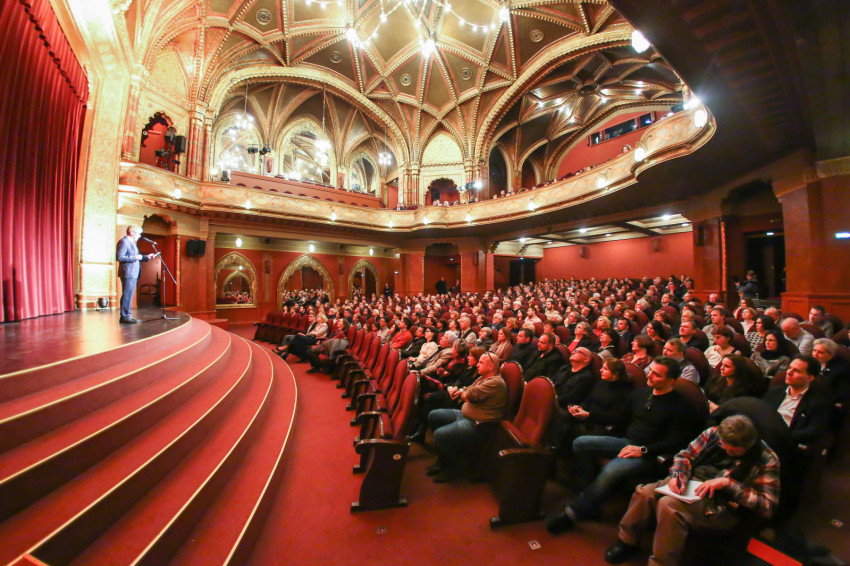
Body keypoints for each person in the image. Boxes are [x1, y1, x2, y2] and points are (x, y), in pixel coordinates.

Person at [604, 415, 780, 566]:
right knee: (644, 493)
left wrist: (728, 484)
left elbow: (768, 506)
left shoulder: (766, 459)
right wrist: (678, 475)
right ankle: (627, 541)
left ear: (747, 446)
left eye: (732, 451)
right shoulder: (713, 433)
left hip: (721, 504)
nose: (725, 450)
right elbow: (685, 456)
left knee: (668, 505)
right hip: (692, 482)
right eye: (723, 445)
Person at [546, 357, 696, 533]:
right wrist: (588, 415)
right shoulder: (641, 394)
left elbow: (678, 441)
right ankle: (588, 497)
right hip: (627, 442)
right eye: (651, 371)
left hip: (650, 454)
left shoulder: (681, 406)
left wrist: (643, 450)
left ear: (671, 381)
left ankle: (573, 513)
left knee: (611, 470)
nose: (650, 375)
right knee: (580, 443)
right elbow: (619, 417)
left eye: (657, 374)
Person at [427, 352, 507, 482]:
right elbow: (468, 389)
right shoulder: (483, 378)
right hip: (465, 415)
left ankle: (454, 469)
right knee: (434, 415)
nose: (477, 365)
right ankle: (443, 460)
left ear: (491, 366)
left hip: (478, 424)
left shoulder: (495, 382)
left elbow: (469, 394)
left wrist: (464, 394)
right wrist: (464, 392)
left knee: (440, 434)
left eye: (481, 363)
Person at [763, 356, 832, 444]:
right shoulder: (773, 392)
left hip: (786, 442)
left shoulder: (818, 403)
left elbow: (813, 431)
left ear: (810, 378)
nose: (789, 372)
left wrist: (782, 437)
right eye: (790, 368)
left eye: (797, 371)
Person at [116, 225, 155, 323]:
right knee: (127, 294)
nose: (139, 236)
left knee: (129, 295)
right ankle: (125, 316)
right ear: (132, 232)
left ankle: (127, 315)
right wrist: (136, 257)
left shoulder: (132, 243)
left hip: (132, 273)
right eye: (138, 234)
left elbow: (136, 257)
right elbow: (120, 257)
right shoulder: (124, 242)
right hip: (128, 272)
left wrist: (145, 257)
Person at [813, 338, 850, 402]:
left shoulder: (841, 370)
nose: (815, 354)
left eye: (820, 352)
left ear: (830, 355)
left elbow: (842, 394)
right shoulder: (810, 363)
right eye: (814, 350)